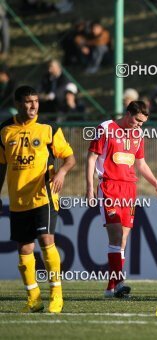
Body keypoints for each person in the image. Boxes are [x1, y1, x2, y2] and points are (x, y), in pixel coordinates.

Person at [0, 85, 76, 313]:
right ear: (17, 103)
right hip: (18, 199)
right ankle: (34, 299)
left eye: (36, 101)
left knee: (46, 240)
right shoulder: (4, 131)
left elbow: (70, 158)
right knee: (24, 248)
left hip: (44, 195)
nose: (33, 106)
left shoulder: (48, 129)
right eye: (28, 101)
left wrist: (61, 173)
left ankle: (56, 296)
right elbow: (1, 167)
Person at [86, 101, 157, 298]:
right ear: (129, 113)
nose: (139, 125)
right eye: (137, 120)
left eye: (143, 123)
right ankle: (120, 282)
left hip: (129, 189)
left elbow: (141, 163)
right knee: (115, 235)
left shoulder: (138, 134)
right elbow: (91, 158)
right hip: (109, 186)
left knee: (122, 240)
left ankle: (111, 288)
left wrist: (156, 183)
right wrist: (89, 188)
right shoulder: (106, 128)